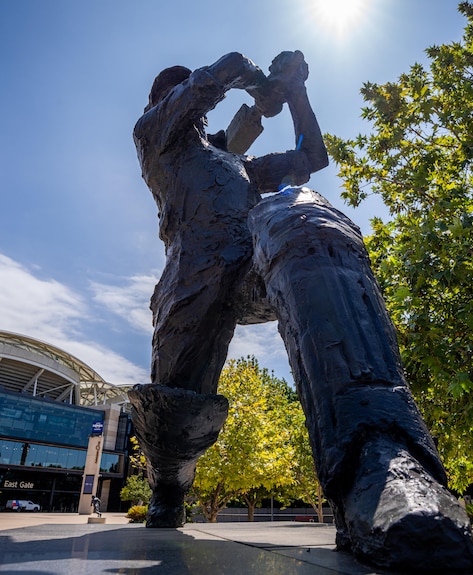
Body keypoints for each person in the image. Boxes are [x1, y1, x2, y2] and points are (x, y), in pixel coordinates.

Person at [129, 51, 327, 528]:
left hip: (248, 271)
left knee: (313, 248)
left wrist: (295, 92)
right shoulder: (154, 137)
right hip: (191, 279)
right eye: (172, 93)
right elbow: (213, 77)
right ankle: (169, 490)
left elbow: (311, 157)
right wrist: (259, 84)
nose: (186, 98)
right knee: (176, 405)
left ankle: (361, 452)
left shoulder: (238, 165)